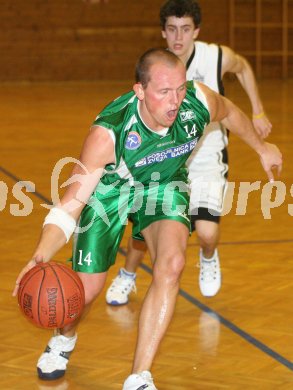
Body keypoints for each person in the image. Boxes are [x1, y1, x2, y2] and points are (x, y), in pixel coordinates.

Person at [13, 48, 281, 390]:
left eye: (180, 88)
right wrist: (39, 256)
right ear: (139, 90)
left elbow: (229, 112)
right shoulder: (108, 134)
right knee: (86, 290)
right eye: (164, 92)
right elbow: (69, 207)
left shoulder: (197, 102)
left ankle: (139, 376)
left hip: (162, 186)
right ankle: (63, 339)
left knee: (172, 264)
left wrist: (262, 148)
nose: (175, 101)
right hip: (110, 191)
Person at [105, 0, 273, 306]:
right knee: (144, 231)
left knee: (207, 233)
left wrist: (258, 111)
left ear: (196, 31)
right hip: (166, 157)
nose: (178, 38)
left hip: (207, 154)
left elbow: (245, 68)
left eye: (185, 29)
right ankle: (127, 275)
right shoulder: (157, 68)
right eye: (171, 29)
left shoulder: (216, 56)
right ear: (163, 32)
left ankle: (208, 256)